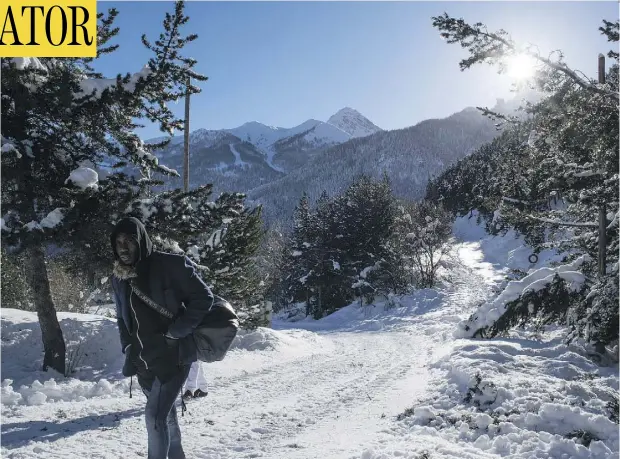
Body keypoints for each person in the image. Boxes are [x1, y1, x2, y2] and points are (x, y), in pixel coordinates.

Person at [111, 217, 213, 459]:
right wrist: (127, 347)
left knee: (153, 416)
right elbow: (121, 317)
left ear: (142, 241)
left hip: (174, 355)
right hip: (143, 360)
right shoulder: (120, 277)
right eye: (118, 242)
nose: (123, 248)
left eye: (130, 241)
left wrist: (175, 331)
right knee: (165, 417)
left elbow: (204, 298)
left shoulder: (171, 265)